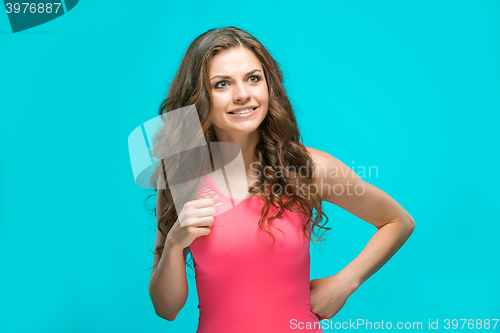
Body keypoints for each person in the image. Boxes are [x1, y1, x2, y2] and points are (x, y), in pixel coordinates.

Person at [148, 26, 415, 333]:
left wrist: (345, 283)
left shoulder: (306, 167)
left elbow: (398, 221)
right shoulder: (181, 176)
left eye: (253, 78)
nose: (242, 94)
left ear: (269, 85)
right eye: (222, 84)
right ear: (199, 97)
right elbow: (166, 309)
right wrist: (174, 244)